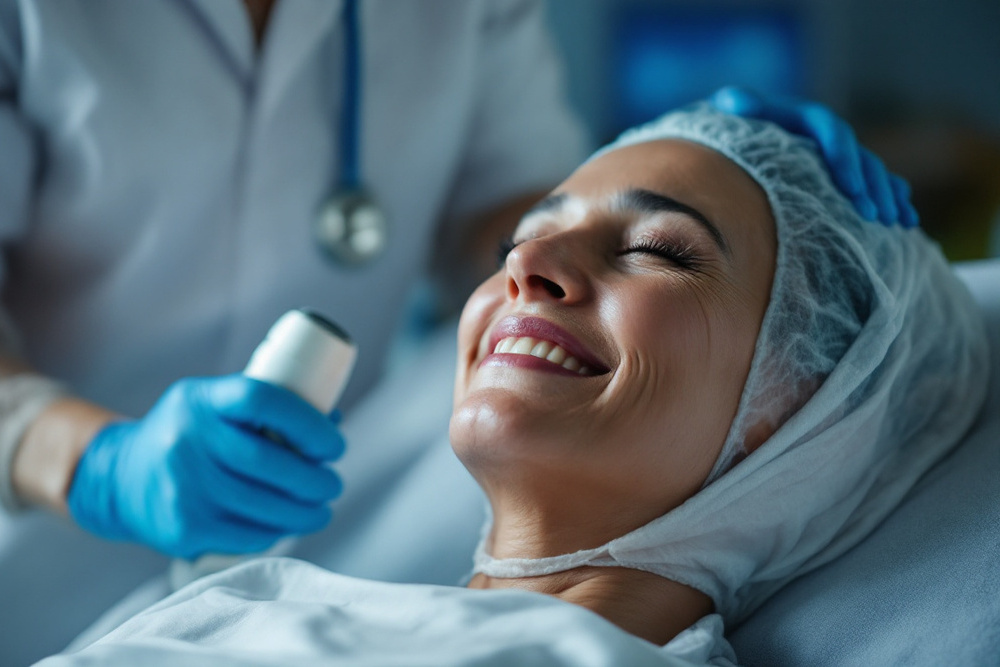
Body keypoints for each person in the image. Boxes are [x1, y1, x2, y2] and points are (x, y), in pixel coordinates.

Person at [0, 0, 915, 658]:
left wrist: (709, 169)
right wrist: (93, 461)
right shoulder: (279, 614)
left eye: (661, 250)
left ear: (796, 399)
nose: (520, 267)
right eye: (527, 247)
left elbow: (504, 204)